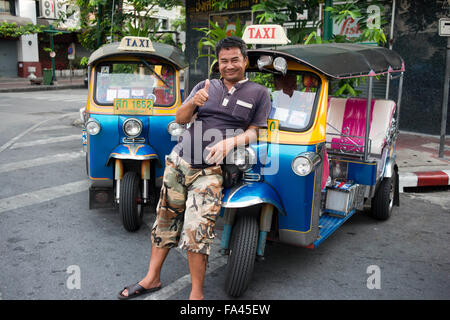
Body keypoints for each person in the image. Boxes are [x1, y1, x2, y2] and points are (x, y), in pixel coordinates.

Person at [118, 36, 271, 300]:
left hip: (210, 172)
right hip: (179, 162)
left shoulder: (259, 93)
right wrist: (193, 102)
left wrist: (229, 143)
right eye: (224, 61)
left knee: (197, 230)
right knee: (164, 220)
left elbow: (255, 132)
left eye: (235, 59)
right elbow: (180, 117)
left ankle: (196, 294)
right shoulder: (205, 85)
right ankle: (152, 277)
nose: (229, 65)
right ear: (218, 63)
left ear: (245, 61)